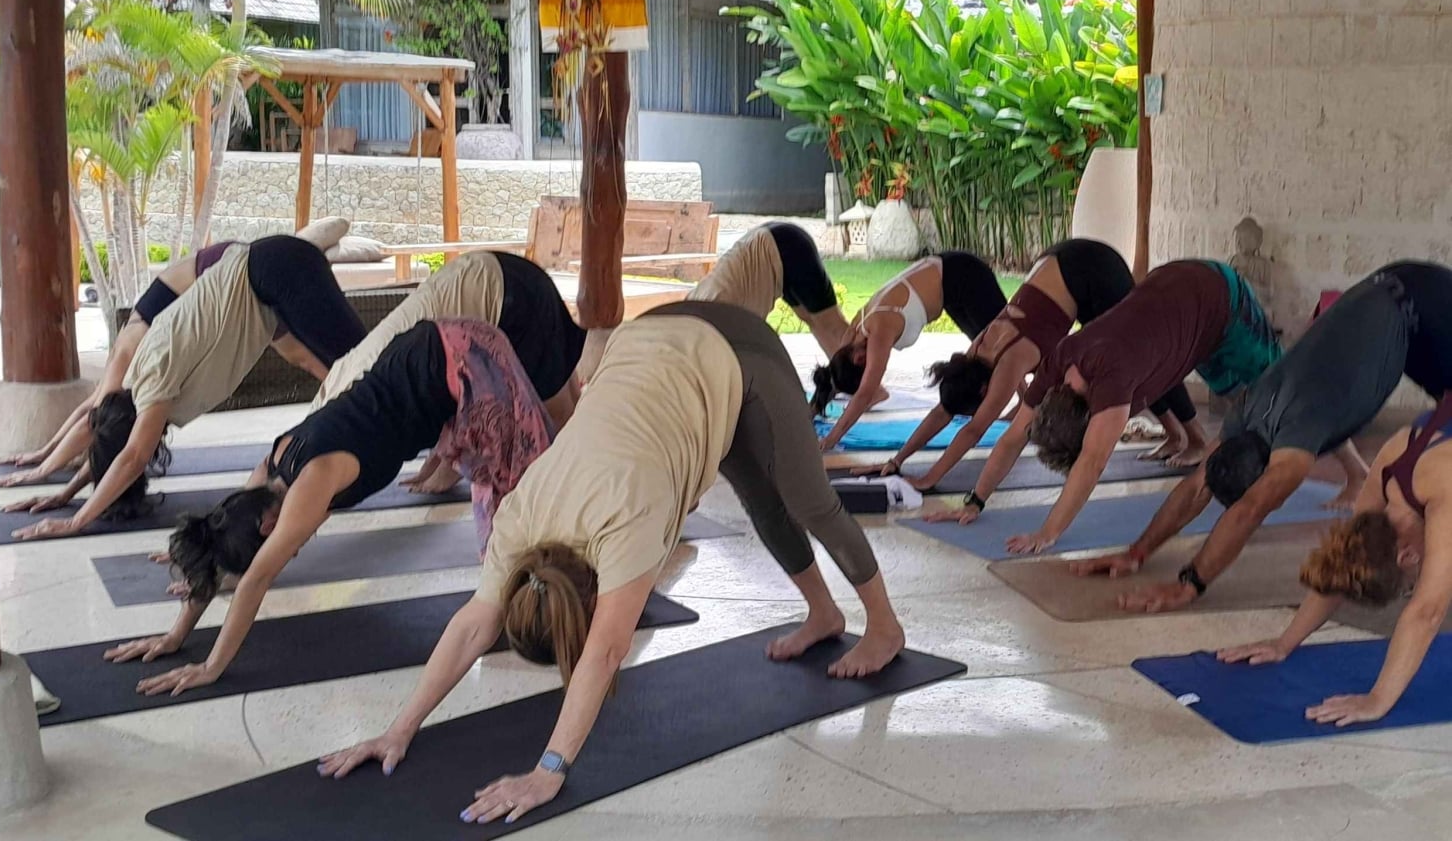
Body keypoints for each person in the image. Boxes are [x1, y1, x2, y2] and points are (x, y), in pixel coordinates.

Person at [315, 302, 906, 821]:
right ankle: (824, 614)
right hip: (653, 358)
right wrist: (399, 730)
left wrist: (550, 769)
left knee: (807, 500)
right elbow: (475, 622)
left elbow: (605, 649)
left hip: (731, 346)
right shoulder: (519, 520)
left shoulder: (627, 521)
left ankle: (885, 627)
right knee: (760, 500)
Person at [102, 319, 552, 684]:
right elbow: (217, 536)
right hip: (426, 350)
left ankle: (560, 589)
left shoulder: (310, 484)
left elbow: (256, 579)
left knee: (521, 493)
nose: (290, 550)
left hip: (461, 358)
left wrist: (211, 666)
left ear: (267, 527)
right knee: (501, 487)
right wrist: (177, 634)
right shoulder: (270, 467)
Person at [1097, 263, 1452, 611]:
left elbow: (1250, 509)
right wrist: (1137, 552)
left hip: (1424, 304)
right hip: (1399, 300)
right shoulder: (1246, 411)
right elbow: (1194, 487)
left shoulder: (1294, 441)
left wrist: (1189, 585)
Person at [2, 235, 366, 540]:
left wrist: (74, 521)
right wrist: (67, 493)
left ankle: (423, 442)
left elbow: (130, 457)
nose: (147, 452)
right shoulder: (143, 396)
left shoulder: (153, 379)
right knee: (350, 374)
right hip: (267, 286)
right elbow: (117, 448)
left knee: (372, 365)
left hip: (276, 269)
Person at [968, 259, 1279, 555]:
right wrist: (975, 500)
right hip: (1182, 298)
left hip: (1219, 293)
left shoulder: (1111, 379)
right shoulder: (1057, 367)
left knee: (1281, 392)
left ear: (1091, 418)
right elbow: (1013, 437)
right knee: (1238, 395)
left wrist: (1047, 533)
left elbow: (1092, 461)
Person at [868, 239, 1206, 500]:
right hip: (1062, 262)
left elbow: (974, 430)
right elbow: (942, 411)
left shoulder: (1009, 363)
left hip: (1094, 269)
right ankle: (1174, 434)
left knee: (1138, 356)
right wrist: (898, 461)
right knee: (1131, 362)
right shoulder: (973, 354)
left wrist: (931, 477)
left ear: (984, 391)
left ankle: (1195, 439)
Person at [1217, 397, 1451, 728]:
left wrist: (1378, 699)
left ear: (1408, 556)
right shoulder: (1394, 463)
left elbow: (1427, 611)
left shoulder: (1431, 480)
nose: (1418, 583)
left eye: (1410, 582)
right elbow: (1344, 563)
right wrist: (1284, 643)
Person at [316, 251, 585, 493]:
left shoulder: (346, 412)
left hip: (499, 291)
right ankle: (583, 472)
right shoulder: (341, 389)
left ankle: (576, 490)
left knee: (552, 416)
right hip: (498, 272)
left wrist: (451, 469)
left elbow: (454, 396)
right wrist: (438, 461)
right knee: (569, 402)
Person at [0, 240, 238, 482]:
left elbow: (91, 418)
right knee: (99, 402)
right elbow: (90, 411)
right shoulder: (133, 360)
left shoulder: (132, 358)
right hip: (208, 272)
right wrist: (45, 455)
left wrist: (43, 467)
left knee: (101, 403)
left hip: (215, 270)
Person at [815, 250, 1007, 450]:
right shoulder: (850, 342)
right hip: (949, 282)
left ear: (860, 359)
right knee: (990, 345)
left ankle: (1027, 402)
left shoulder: (880, 329)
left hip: (964, 273)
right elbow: (830, 375)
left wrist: (832, 437)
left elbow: (865, 393)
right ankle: (1022, 398)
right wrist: (810, 414)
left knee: (1005, 341)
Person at [688, 221, 852, 358]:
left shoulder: (712, 325)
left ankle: (869, 386)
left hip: (785, 246)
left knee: (832, 325)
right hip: (772, 248)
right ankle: (848, 380)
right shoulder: (692, 313)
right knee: (813, 320)